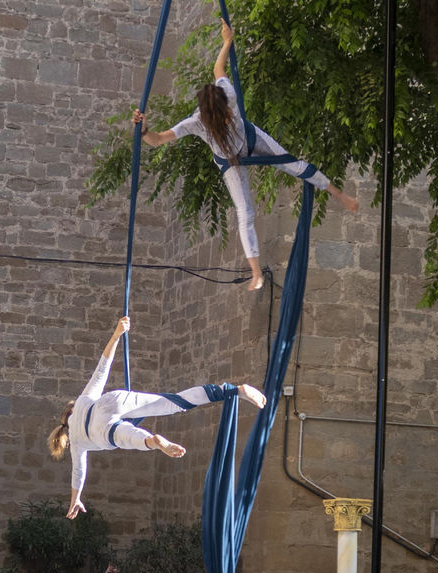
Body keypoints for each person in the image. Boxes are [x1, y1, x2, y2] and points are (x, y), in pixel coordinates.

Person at [132, 21, 359, 291]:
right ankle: (256, 273)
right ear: (209, 117)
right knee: (245, 212)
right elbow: (157, 140)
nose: (229, 117)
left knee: (293, 164)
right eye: (224, 117)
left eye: (228, 112)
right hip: (230, 162)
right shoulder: (195, 123)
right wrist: (143, 129)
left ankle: (339, 194)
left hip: (251, 140)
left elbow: (218, 69)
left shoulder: (227, 93)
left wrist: (227, 41)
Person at [51, 316, 266, 519]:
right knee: (174, 402)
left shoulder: (76, 442)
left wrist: (75, 498)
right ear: (70, 409)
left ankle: (153, 441)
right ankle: (233, 390)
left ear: (65, 430)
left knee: (133, 438)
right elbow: (102, 368)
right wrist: (117, 334)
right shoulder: (81, 401)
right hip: (111, 401)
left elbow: (79, 471)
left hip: (102, 433)